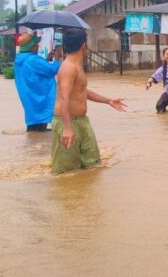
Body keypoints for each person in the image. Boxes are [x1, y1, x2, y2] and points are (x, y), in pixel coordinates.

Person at [52, 29, 126, 175]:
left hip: (82, 121)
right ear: (84, 46)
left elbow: (81, 92)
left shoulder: (77, 67)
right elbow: (64, 97)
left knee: (93, 165)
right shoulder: (68, 68)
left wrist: (108, 100)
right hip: (67, 122)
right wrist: (67, 127)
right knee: (67, 173)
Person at [13, 33, 62, 132]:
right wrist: (57, 58)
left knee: (34, 130)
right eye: (36, 45)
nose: (38, 46)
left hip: (30, 100)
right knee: (40, 128)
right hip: (41, 100)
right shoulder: (33, 59)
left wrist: (46, 60)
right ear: (31, 47)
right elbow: (53, 70)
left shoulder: (19, 59)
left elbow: (34, 72)